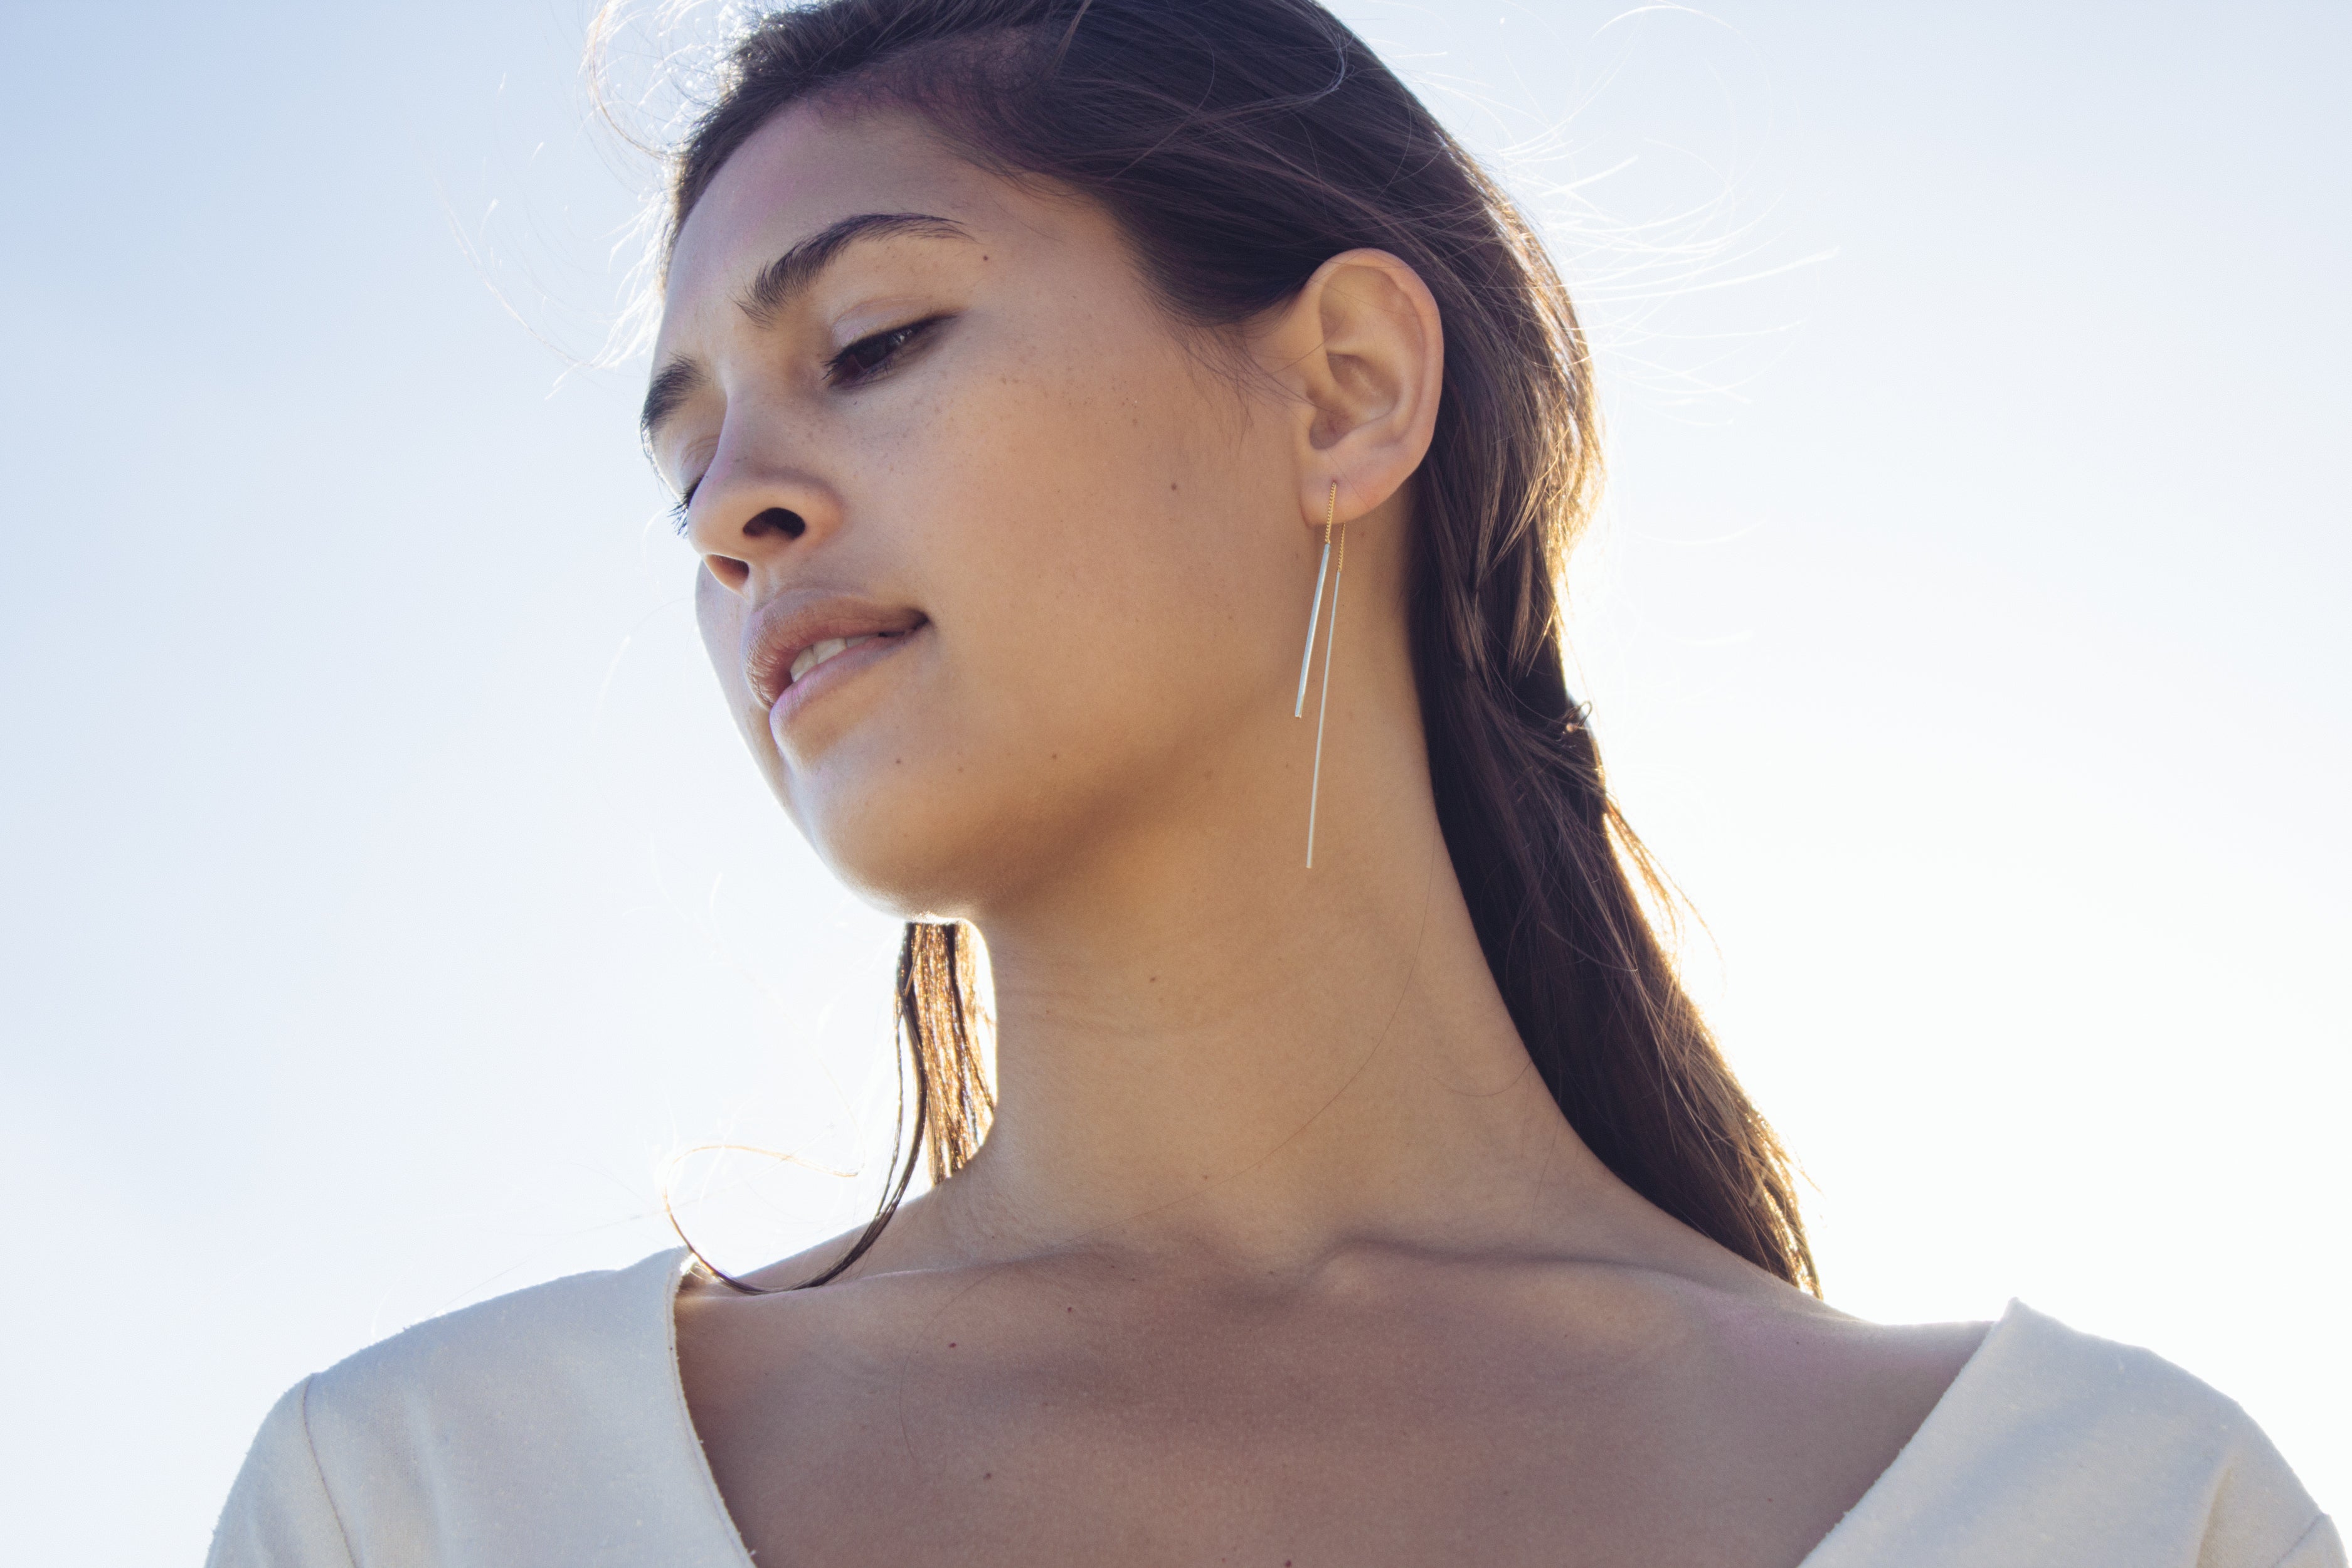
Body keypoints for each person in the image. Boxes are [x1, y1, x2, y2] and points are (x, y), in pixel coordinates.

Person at [206, 2, 2340, 1564]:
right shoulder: (422, 1493)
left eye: (870, 344)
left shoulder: (2123, 1511)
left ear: (1345, 392)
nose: (732, 512)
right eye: (686, 459)